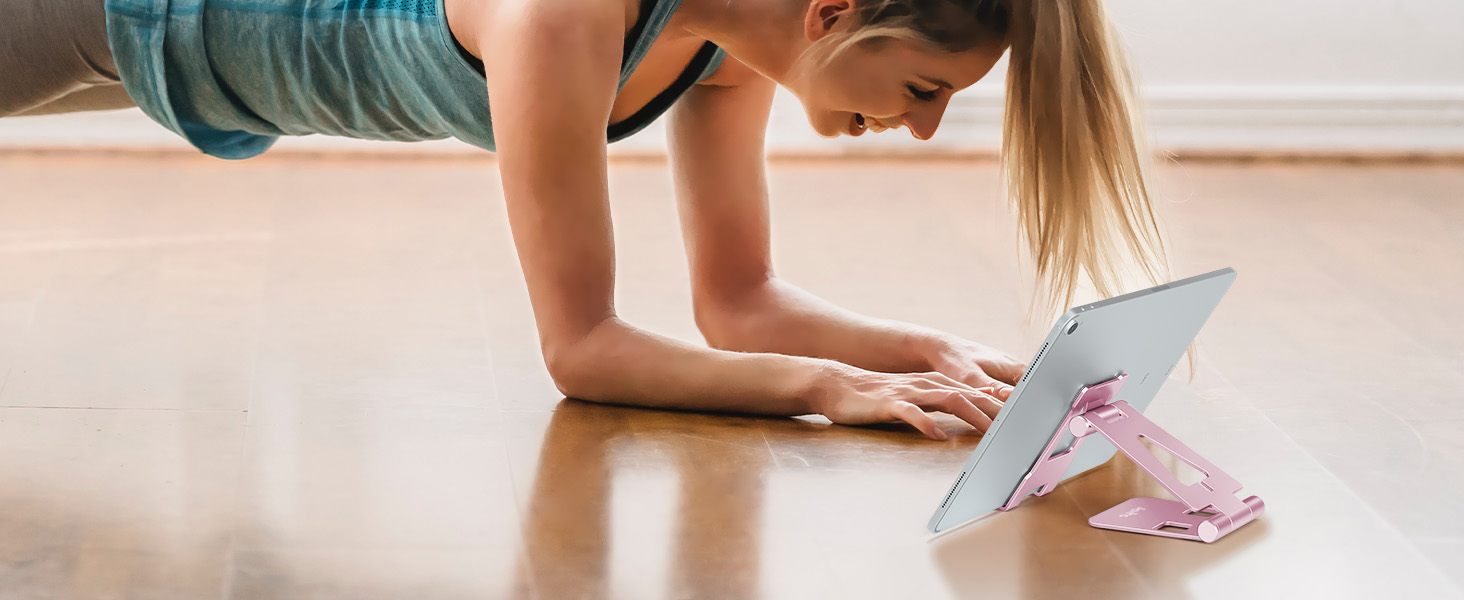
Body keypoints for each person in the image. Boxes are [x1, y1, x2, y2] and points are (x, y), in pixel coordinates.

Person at [0, 0, 1171, 439]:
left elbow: (739, 302)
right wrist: (824, 390)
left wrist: (924, 357)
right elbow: (584, 349)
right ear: (836, 12)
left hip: (189, 57)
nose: (921, 128)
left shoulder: (725, 49)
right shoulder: (568, 16)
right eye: (925, 89)